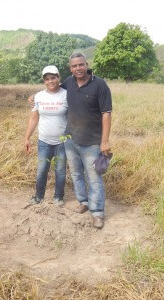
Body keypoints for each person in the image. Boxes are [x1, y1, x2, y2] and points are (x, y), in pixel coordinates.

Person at [28, 53, 112, 229]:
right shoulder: (69, 83)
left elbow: (106, 114)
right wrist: (33, 98)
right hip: (69, 140)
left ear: (86, 64)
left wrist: (105, 141)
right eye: (74, 66)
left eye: (81, 65)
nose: (78, 68)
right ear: (70, 69)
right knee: (75, 174)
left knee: (94, 177)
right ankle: (83, 202)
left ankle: (97, 213)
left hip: (92, 141)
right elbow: (52, 90)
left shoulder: (100, 84)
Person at [25, 65, 68, 206]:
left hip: (62, 142)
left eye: (53, 78)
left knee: (60, 171)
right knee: (42, 170)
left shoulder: (67, 94)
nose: (51, 81)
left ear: (58, 78)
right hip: (44, 141)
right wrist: (27, 137)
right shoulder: (38, 97)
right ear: (44, 81)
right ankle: (38, 196)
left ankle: (58, 197)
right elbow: (34, 118)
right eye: (47, 79)